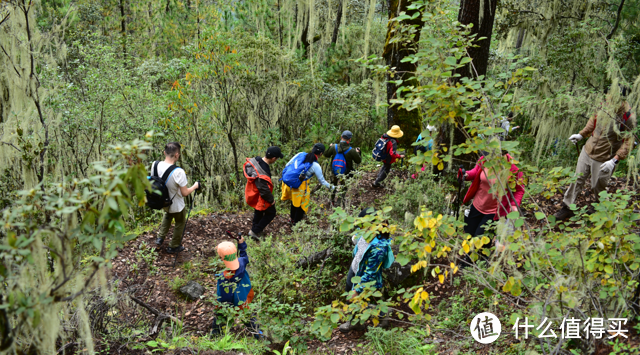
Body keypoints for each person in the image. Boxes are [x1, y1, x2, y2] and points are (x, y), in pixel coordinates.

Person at [554, 98, 637, 220]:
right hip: (587, 150)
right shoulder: (602, 105)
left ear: (621, 97)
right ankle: (567, 208)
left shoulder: (628, 117)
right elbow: (592, 122)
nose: (609, 97)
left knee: (598, 186)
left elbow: (629, 141)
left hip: (605, 158)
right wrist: (581, 135)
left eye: (612, 95)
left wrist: (615, 160)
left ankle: (602, 210)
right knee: (577, 180)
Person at [461, 153, 525, 263]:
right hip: (477, 205)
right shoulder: (484, 160)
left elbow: (519, 189)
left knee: (480, 237)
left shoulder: (513, 168)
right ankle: (476, 257)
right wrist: (466, 175)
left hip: (494, 211)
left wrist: (514, 205)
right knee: (469, 234)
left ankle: (472, 264)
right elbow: (476, 172)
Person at [339, 207, 395, 332]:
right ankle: (359, 320)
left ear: (372, 224)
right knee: (350, 293)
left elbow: (370, 273)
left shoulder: (379, 247)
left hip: (365, 276)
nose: (360, 227)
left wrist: (358, 289)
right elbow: (359, 241)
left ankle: (373, 317)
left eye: (362, 224)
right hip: (355, 268)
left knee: (360, 299)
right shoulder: (366, 232)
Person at [212, 237, 262, 339]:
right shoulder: (242, 262)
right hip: (246, 295)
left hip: (235, 302)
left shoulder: (224, 278)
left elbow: (224, 297)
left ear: (222, 258)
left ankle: (215, 336)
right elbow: (244, 256)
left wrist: (221, 306)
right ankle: (260, 335)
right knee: (249, 317)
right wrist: (241, 244)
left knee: (219, 317)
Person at [153, 142, 200, 253]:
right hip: (176, 205)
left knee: (168, 216)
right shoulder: (178, 172)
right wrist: (194, 186)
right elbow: (184, 193)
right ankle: (173, 246)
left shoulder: (155, 164)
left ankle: (160, 239)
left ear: (164, 153)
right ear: (177, 155)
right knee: (180, 222)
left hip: (162, 202)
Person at [281, 143, 335, 224]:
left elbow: (287, 164)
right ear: (321, 154)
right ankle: (296, 223)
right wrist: (334, 187)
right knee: (302, 204)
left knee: (294, 202)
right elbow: (322, 182)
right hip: (301, 185)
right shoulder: (316, 166)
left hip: (289, 183)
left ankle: (292, 220)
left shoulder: (300, 154)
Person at [243, 147, 284, 240]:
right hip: (262, 195)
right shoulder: (263, 170)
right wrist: (271, 200)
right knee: (271, 213)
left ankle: (256, 229)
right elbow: (264, 189)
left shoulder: (257, 160)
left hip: (255, 193)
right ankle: (254, 231)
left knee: (259, 211)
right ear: (273, 158)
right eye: (277, 158)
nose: (276, 160)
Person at [323, 130, 362, 205]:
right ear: (350, 139)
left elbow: (326, 154)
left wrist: (330, 147)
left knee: (333, 185)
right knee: (344, 187)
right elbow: (358, 161)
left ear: (341, 137)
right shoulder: (352, 151)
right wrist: (358, 153)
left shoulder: (334, 147)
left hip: (334, 171)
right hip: (345, 173)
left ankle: (331, 200)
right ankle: (339, 202)